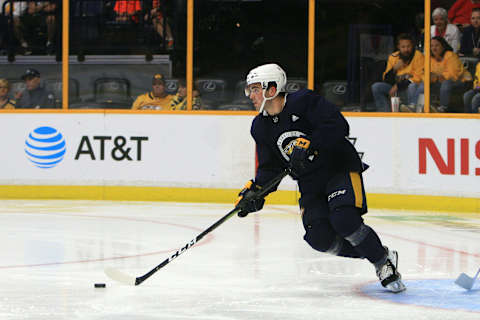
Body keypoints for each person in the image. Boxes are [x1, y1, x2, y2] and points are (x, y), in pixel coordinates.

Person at [235, 63, 406, 293]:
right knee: (319, 238)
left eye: (255, 89)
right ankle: (379, 251)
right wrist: (256, 192)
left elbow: (338, 125)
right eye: (250, 90)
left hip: (338, 168)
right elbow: (270, 167)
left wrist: (311, 144)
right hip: (310, 182)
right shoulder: (260, 127)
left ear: (272, 89)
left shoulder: (303, 101)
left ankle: (382, 263)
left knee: (344, 219)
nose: (251, 95)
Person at [416, 36, 472, 113]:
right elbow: (424, 73)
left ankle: (442, 108)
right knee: (423, 83)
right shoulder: (429, 58)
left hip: (460, 81)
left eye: (437, 45)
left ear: (443, 46)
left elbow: (453, 73)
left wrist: (436, 77)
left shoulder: (450, 55)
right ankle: (418, 107)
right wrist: (430, 77)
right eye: (431, 46)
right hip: (440, 81)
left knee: (446, 82)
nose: (434, 48)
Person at [371, 33, 424, 112]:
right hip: (395, 91)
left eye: (408, 46)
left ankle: (411, 109)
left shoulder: (418, 56)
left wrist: (398, 86)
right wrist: (394, 69)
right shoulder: (393, 57)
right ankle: (385, 112)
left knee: (413, 86)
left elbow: (419, 77)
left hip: (409, 90)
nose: (406, 49)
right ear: (398, 47)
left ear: (412, 46)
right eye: (403, 47)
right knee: (376, 87)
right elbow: (385, 79)